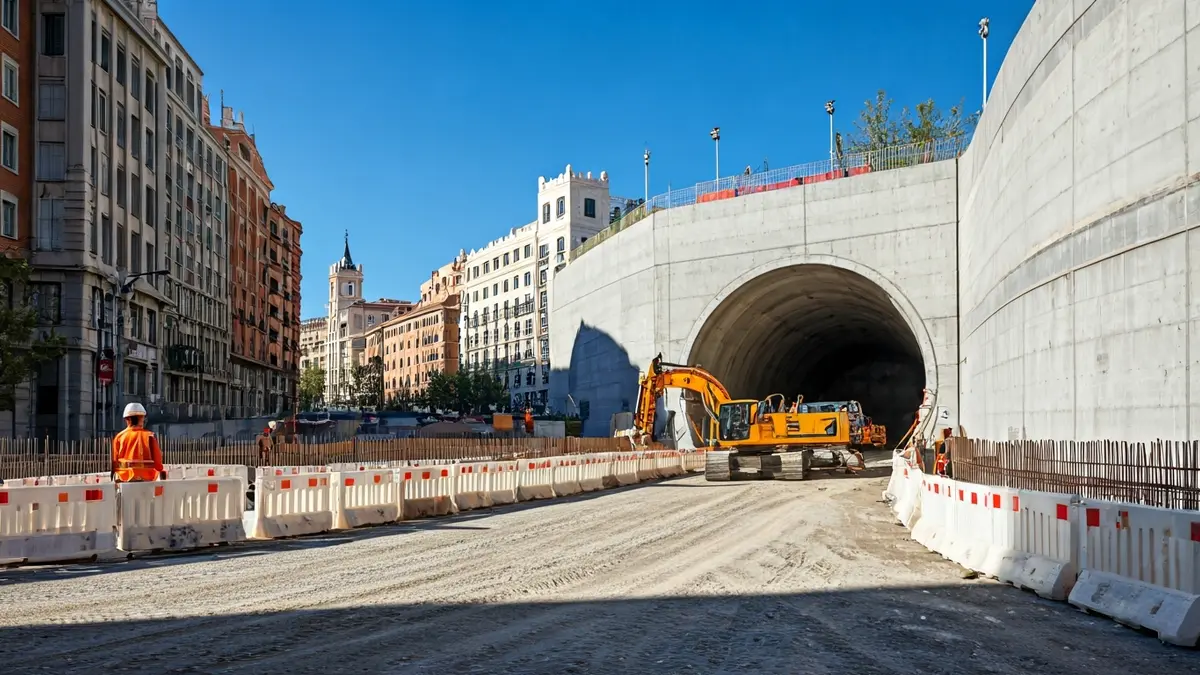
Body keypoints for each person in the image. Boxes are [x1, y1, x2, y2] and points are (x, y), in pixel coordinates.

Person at [111, 402, 165, 483]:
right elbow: (158, 464)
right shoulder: (150, 436)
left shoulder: (119, 437)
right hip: (147, 481)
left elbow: (115, 464)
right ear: (142, 418)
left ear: (126, 419)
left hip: (124, 481)